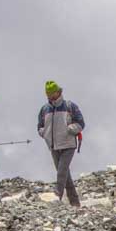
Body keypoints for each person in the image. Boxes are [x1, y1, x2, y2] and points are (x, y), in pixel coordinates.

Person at [38, 79, 85, 207]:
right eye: (48, 93)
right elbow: (40, 126)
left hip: (68, 145)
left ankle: (56, 196)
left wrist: (70, 129)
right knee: (66, 175)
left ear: (58, 92)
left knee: (61, 171)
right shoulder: (44, 109)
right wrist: (44, 133)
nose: (50, 96)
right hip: (53, 146)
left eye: (52, 93)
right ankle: (75, 203)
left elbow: (81, 123)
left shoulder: (70, 106)